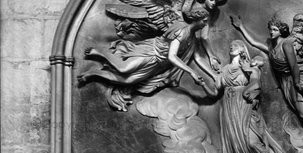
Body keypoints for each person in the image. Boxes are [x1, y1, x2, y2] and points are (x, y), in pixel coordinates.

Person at [231, 15, 303, 152]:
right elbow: (254, 42)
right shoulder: (273, 48)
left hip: (296, 80)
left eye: (274, 29)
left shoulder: (286, 44)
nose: (271, 32)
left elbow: (294, 66)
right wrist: (241, 27)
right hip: (287, 83)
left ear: (281, 31)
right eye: (270, 29)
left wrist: (297, 83)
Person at [206, 40, 292, 153]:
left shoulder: (249, 67)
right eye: (231, 45)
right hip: (230, 108)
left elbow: (256, 83)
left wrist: (250, 89)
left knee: (252, 142)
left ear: (243, 50)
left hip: (245, 105)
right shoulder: (224, 70)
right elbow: (215, 90)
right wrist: (204, 82)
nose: (232, 46)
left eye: (237, 45)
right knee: (237, 145)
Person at [78, 8, 210, 94]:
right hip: (151, 51)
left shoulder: (191, 38)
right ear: (197, 19)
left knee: (128, 81)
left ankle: (94, 73)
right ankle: (101, 52)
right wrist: (191, 72)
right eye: (204, 21)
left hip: (157, 62)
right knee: (124, 69)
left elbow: (192, 55)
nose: (205, 24)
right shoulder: (183, 31)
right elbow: (172, 56)